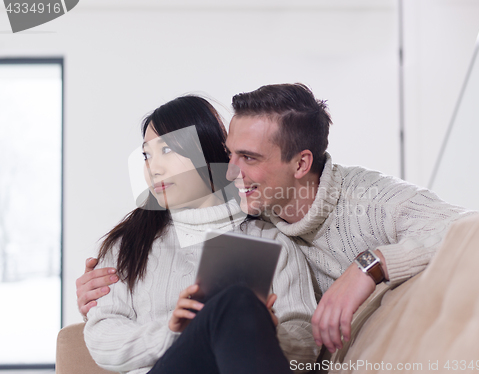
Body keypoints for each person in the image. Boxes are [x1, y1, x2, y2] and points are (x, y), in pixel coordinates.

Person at [78, 84, 473, 356]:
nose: (230, 172)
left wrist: (368, 266)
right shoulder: (248, 206)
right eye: (230, 154)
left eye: (248, 159)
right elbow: (106, 329)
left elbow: (469, 229)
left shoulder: (366, 201)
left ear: (301, 164)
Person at [82, 95, 319, 374]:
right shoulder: (128, 244)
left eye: (167, 150)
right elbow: (101, 339)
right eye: (147, 155)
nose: (153, 168)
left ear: (207, 152)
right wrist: (170, 331)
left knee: (237, 303)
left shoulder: (271, 241)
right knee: (235, 300)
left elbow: (307, 347)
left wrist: (260, 329)